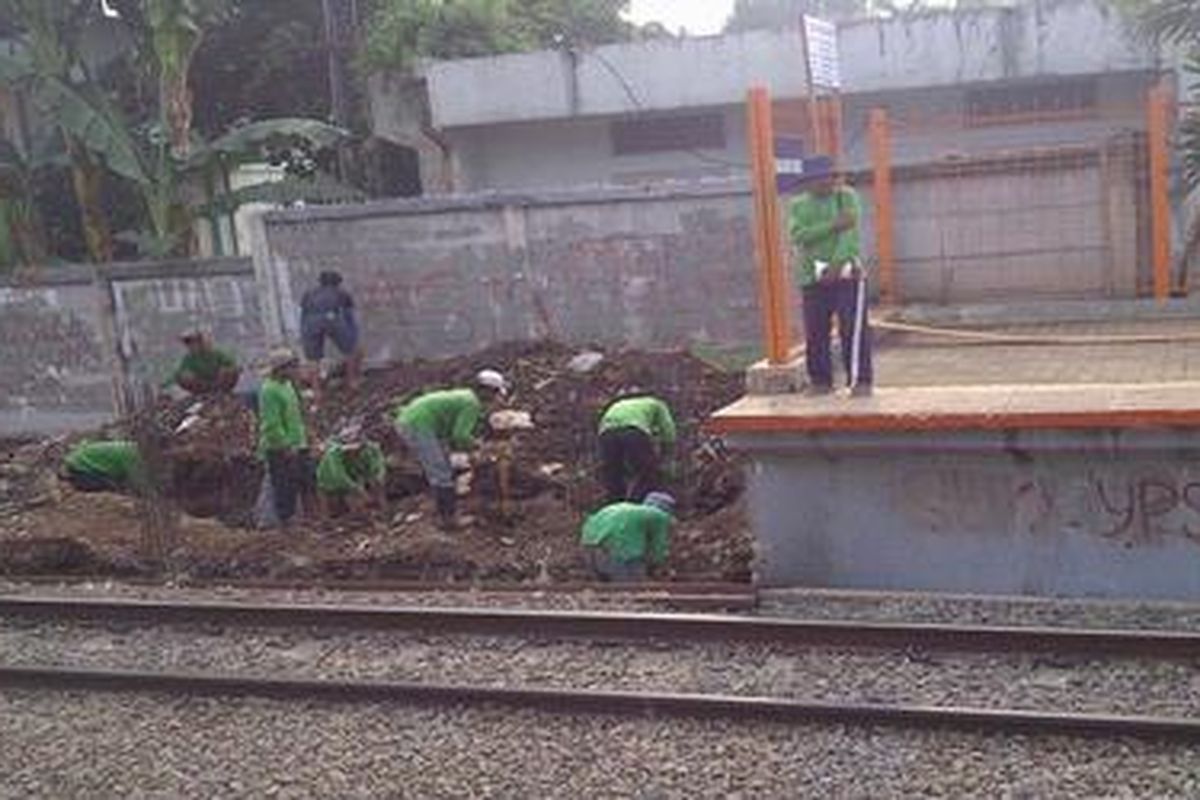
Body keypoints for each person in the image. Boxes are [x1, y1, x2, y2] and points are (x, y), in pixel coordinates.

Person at [788, 155, 874, 397]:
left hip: (848, 275)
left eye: (829, 177)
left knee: (852, 328)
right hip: (811, 277)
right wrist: (833, 225)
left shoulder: (846, 196)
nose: (826, 183)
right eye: (819, 179)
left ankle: (860, 381)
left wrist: (836, 264)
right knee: (815, 331)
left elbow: (851, 235)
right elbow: (799, 236)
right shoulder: (798, 204)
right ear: (808, 182)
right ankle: (820, 381)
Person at [392, 369, 509, 530]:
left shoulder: (467, 397)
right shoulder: (472, 404)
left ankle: (444, 511)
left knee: (444, 465)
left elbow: (456, 435)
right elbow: (460, 436)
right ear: (487, 391)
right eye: (495, 394)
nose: (495, 399)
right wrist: (480, 448)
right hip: (418, 425)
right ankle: (449, 520)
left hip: (415, 420)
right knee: (441, 472)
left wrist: (470, 450)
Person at [257, 347, 313, 529]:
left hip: (298, 443)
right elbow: (272, 424)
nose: (295, 371)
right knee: (284, 486)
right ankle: (285, 522)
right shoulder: (269, 390)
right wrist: (285, 446)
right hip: (280, 448)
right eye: (292, 367)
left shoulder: (287, 385)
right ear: (281, 369)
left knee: (306, 481)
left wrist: (305, 437)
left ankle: (307, 518)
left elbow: (295, 414)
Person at [597, 391, 676, 504]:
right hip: (633, 430)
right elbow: (668, 430)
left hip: (606, 431)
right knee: (647, 471)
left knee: (613, 472)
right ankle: (637, 503)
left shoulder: (621, 403)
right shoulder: (658, 404)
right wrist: (666, 452)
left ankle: (614, 504)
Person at [580, 492, 675, 582]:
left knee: (608, 591)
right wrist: (656, 566)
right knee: (632, 590)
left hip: (589, 548)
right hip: (618, 551)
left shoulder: (629, 509)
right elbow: (657, 548)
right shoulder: (660, 516)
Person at [300, 270, 362, 394]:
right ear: (337, 283)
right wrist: (353, 337)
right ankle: (352, 382)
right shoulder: (341, 293)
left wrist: (303, 333)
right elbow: (349, 316)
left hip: (310, 322)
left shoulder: (308, 294)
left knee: (313, 359)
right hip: (331, 318)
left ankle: (316, 390)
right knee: (352, 351)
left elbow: (303, 315)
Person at [316, 426, 387, 518]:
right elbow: (340, 476)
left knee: (359, 508)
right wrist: (359, 490)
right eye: (350, 451)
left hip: (354, 478)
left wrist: (378, 478)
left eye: (357, 450)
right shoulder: (333, 454)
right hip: (329, 483)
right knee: (331, 514)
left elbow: (378, 465)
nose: (353, 453)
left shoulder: (370, 450)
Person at [61, 439, 146, 494]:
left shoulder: (132, 448)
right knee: (112, 488)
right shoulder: (133, 456)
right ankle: (75, 482)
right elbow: (137, 483)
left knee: (118, 484)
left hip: (81, 459)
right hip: (81, 466)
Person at [169, 329, 240, 396]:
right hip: (205, 385)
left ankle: (220, 392)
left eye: (193, 342)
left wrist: (224, 373)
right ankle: (204, 393)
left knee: (227, 371)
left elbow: (231, 365)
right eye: (187, 343)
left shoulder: (217, 353)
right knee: (183, 377)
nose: (190, 345)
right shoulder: (189, 359)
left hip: (221, 383)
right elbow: (179, 373)